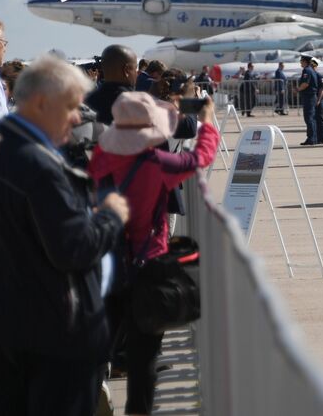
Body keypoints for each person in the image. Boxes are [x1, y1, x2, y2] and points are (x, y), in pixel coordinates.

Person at [0, 55, 129, 415]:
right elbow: (73, 248)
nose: (77, 117)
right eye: (71, 107)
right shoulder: (36, 166)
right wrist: (111, 219)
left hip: (6, 327)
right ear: (41, 103)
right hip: (54, 335)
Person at [88, 92, 220, 416]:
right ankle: (138, 411)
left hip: (103, 265)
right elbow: (200, 157)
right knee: (144, 355)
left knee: (97, 345)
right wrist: (207, 122)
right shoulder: (155, 164)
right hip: (146, 265)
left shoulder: (101, 157)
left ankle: (90, 394)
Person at [298, 54, 323, 145]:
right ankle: (313, 138)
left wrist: (298, 89)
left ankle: (313, 138)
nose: (300, 62)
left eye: (301, 61)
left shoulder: (307, 70)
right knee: (312, 118)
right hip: (311, 97)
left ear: (305, 61)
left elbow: (306, 84)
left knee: (310, 118)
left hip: (310, 97)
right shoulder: (312, 71)